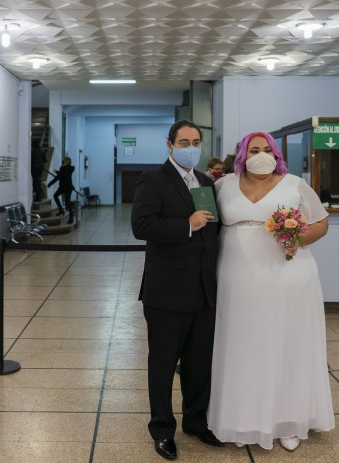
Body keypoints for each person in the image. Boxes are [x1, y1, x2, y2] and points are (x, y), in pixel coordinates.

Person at [208, 131, 334, 451]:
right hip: (237, 279)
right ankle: (242, 418)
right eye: (254, 150)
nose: (261, 154)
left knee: (286, 344)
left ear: (276, 153)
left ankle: (288, 421)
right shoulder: (223, 185)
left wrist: (299, 238)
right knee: (243, 346)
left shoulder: (294, 184)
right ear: (242, 155)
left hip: (289, 276)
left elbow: (321, 222)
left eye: (267, 149)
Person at [131, 119, 223, 460]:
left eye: (196, 142)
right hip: (167, 291)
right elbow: (141, 225)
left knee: (199, 364)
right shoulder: (153, 179)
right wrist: (186, 225)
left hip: (204, 291)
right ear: (170, 145)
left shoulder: (205, 181)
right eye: (184, 142)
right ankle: (162, 429)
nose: (191, 148)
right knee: (163, 364)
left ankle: (196, 422)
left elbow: (214, 231)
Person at [47, 156, 75, 224]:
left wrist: (50, 183)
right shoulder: (72, 168)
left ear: (67, 161)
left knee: (56, 196)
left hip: (63, 186)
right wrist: (58, 172)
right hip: (69, 186)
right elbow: (64, 174)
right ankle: (70, 217)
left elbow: (58, 177)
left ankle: (61, 209)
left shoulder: (63, 167)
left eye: (64, 160)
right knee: (68, 202)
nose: (63, 161)